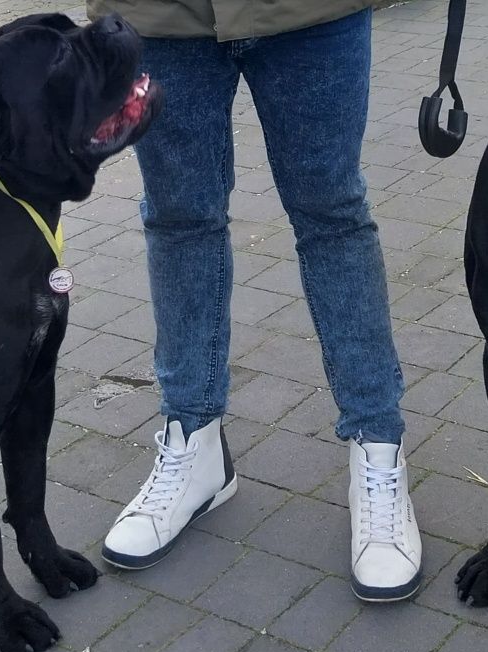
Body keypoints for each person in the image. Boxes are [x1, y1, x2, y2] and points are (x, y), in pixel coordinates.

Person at [86, 0, 422, 601]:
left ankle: (378, 447)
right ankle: (194, 444)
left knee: (333, 215)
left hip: (310, 12)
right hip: (161, 14)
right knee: (178, 218)